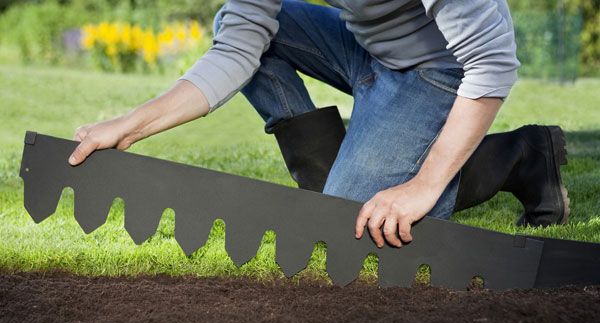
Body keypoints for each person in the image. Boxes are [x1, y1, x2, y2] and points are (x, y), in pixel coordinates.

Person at [68, 0, 569, 249]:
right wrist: (130, 125)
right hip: (368, 49)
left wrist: (423, 185)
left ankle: (520, 158)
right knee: (248, 23)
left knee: (360, 220)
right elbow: (239, 47)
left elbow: (493, 62)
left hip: (437, 69)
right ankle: (326, 186)